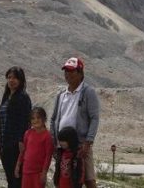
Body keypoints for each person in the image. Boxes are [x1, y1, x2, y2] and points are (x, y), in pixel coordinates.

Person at [49, 57, 99, 188]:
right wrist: (54, 140)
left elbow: (94, 118)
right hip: (62, 146)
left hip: (81, 145)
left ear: (80, 73)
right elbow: (53, 119)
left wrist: (88, 142)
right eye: (66, 71)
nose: (68, 74)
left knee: (88, 179)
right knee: (63, 178)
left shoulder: (88, 92)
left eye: (71, 71)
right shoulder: (61, 95)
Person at [0, 66, 31, 188]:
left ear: (21, 80)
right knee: (10, 179)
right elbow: (4, 122)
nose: (11, 80)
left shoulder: (23, 97)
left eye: (15, 77)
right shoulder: (6, 97)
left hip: (16, 145)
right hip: (5, 145)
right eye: (9, 77)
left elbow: (26, 121)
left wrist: (21, 140)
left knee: (17, 178)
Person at [16, 107, 53, 188]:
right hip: (26, 171)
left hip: (38, 173)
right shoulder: (27, 133)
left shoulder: (47, 136)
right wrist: (18, 165)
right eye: (33, 118)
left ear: (44, 119)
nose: (35, 120)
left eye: (38, 118)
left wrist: (44, 172)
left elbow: (48, 156)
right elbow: (23, 151)